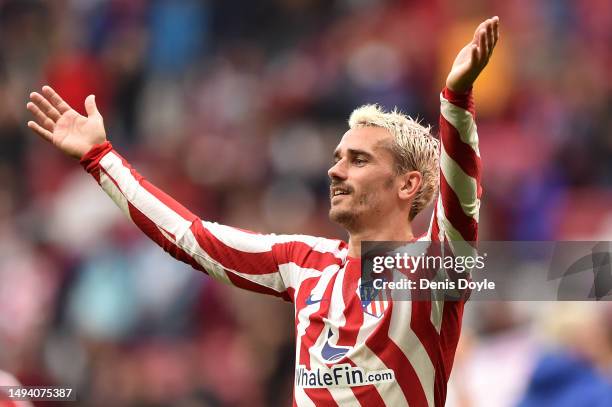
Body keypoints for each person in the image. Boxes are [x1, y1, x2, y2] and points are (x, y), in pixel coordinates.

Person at [25, 16, 499, 407]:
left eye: (358, 160)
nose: (335, 172)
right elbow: (192, 237)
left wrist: (456, 102)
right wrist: (100, 156)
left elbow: (462, 204)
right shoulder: (303, 262)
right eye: (336, 158)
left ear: (407, 184)